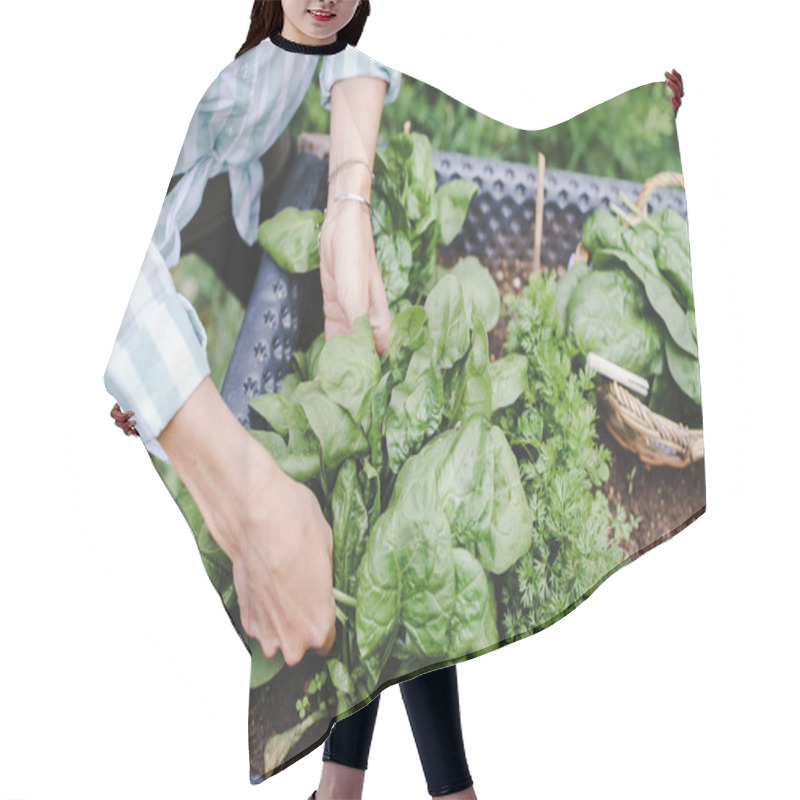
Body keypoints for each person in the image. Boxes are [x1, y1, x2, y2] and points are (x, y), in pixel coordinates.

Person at [105, 2, 477, 797]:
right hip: (164, 184)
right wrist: (224, 474)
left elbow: (362, 51)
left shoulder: (316, 26)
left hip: (249, 158)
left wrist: (349, 196)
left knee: (366, 505)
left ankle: (345, 789)